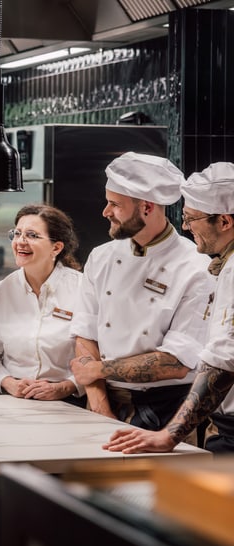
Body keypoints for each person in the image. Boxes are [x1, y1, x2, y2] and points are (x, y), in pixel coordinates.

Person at [70, 152, 213, 435]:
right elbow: (85, 332)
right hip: (102, 401)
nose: (105, 212)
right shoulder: (101, 257)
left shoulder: (197, 267)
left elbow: (175, 363)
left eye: (114, 204)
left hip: (167, 412)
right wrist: (101, 409)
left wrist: (98, 370)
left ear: (147, 207)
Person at [105, 162, 234, 454]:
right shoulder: (224, 266)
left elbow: (224, 362)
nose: (186, 227)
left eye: (192, 219)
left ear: (224, 222)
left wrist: (169, 436)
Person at [0, 204, 85, 404]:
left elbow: (98, 356)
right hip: (11, 400)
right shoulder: (0, 292)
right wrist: (8, 382)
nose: (20, 242)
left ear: (56, 247)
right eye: (17, 234)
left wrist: (65, 387)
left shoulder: (83, 289)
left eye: (32, 235)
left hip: (68, 402)